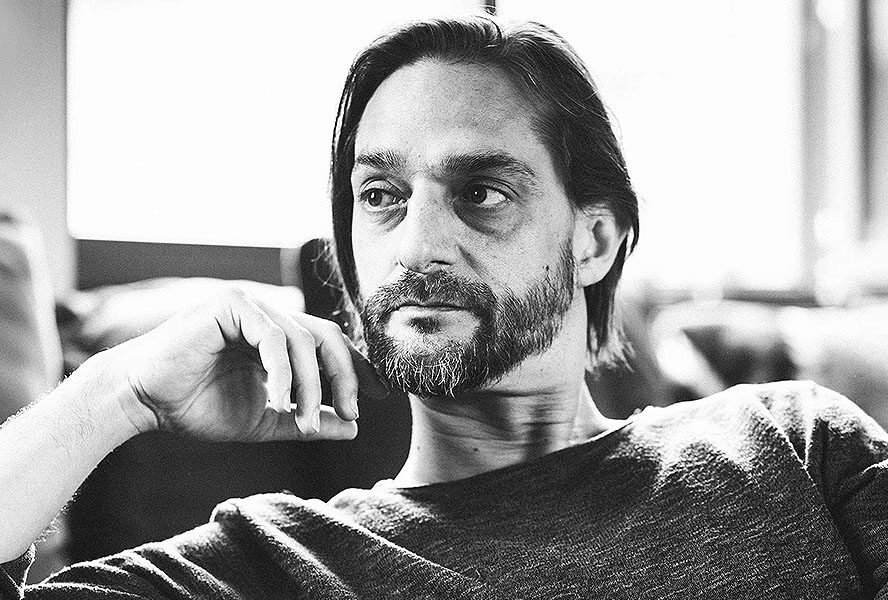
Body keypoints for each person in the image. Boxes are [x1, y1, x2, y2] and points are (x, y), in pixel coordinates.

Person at [1, 15, 886, 599]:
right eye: (381, 196)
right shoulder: (269, 564)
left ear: (594, 240)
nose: (417, 245)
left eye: (482, 192)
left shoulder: (791, 444)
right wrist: (118, 394)